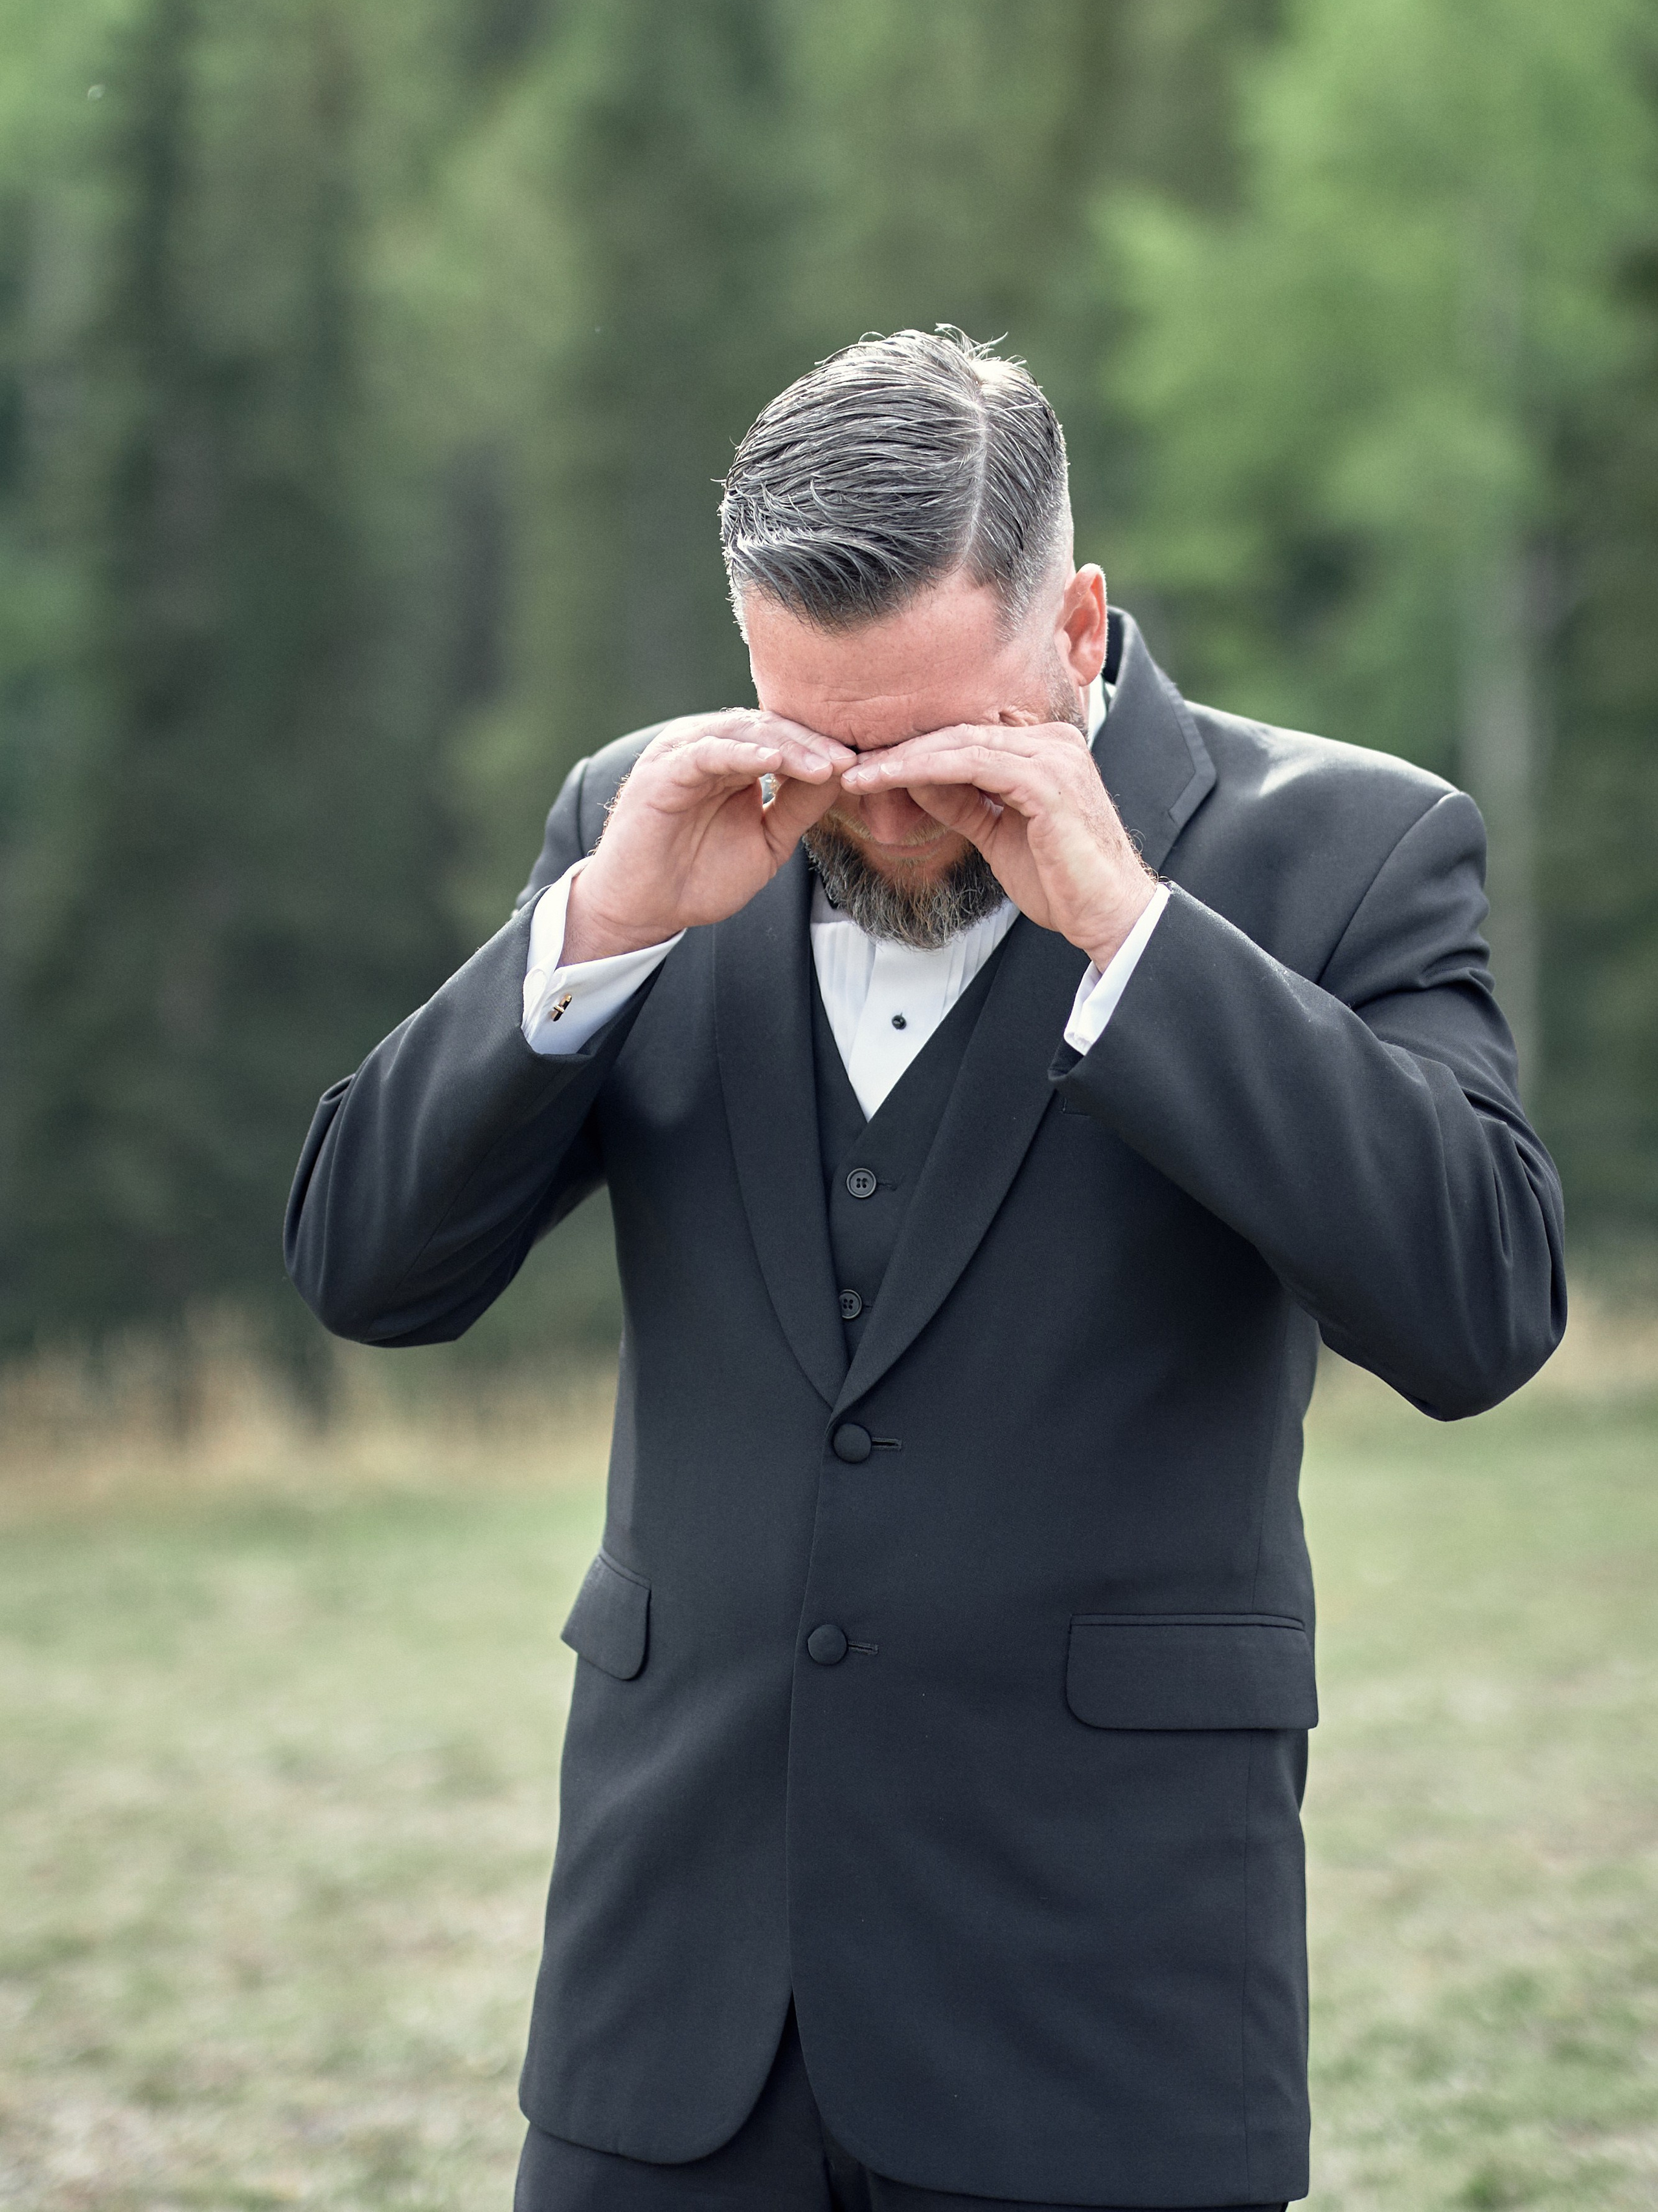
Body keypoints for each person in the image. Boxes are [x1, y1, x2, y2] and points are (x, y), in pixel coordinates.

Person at [286, 328, 1565, 2212]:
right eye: (827, 733)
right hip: (667, 2028)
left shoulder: (1352, 853)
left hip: (1099, 2013)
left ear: (1077, 627)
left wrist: (1130, 927)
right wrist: (603, 926)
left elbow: (1481, 1308)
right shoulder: (648, 822)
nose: (876, 806)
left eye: (942, 740)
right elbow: (366, 1267)